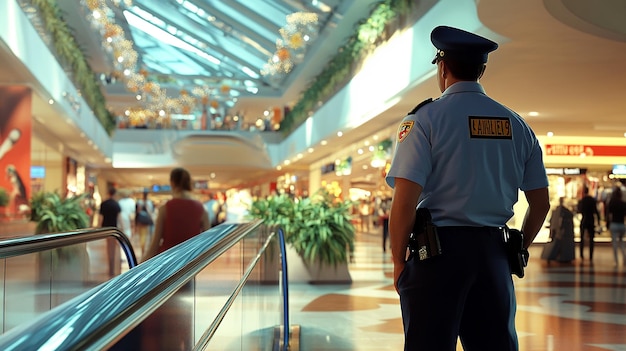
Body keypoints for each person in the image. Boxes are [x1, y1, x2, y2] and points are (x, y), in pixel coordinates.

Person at [385, 26, 550, 351]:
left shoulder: (424, 120)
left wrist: (398, 261)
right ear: (482, 70)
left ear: (442, 67)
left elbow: (404, 202)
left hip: (436, 257)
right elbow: (540, 203)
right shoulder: (517, 125)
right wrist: (517, 249)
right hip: (494, 256)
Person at [143, 167, 210, 260]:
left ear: (172, 183)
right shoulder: (201, 208)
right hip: (190, 260)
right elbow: (207, 240)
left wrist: (140, 265)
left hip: (167, 260)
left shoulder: (165, 208)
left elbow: (155, 244)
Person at [99, 187, 122, 276]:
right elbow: (119, 218)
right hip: (114, 229)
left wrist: (99, 228)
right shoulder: (116, 204)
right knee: (113, 248)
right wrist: (122, 228)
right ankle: (112, 267)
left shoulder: (104, 204)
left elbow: (101, 218)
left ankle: (110, 267)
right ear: (115, 194)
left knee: (108, 248)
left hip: (106, 229)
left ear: (108, 193)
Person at [577, 186, 600, 260]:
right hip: (591, 220)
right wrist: (598, 221)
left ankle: (581, 254)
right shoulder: (592, 200)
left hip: (584, 220)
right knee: (591, 239)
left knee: (582, 238)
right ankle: (591, 255)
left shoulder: (582, 200)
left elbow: (579, 210)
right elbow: (596, 211)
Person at [606, 187, 626, 266]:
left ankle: (616, 261)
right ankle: (624, 258)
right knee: (622, 243)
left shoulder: (611, 203)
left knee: (614, 243)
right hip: (622, 224)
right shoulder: (623, 203)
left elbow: (609, 215)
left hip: (614, 224)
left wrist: (608, 224)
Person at [134, 189, 154, 259]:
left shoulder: (139, 202)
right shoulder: (149, 202)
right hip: (146, 221)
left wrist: (135, 223)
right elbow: (150, 212)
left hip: (140, 221)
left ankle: (142, 250)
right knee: (145, 236)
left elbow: (137, 212)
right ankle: (144, 249)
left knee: (141, 236)